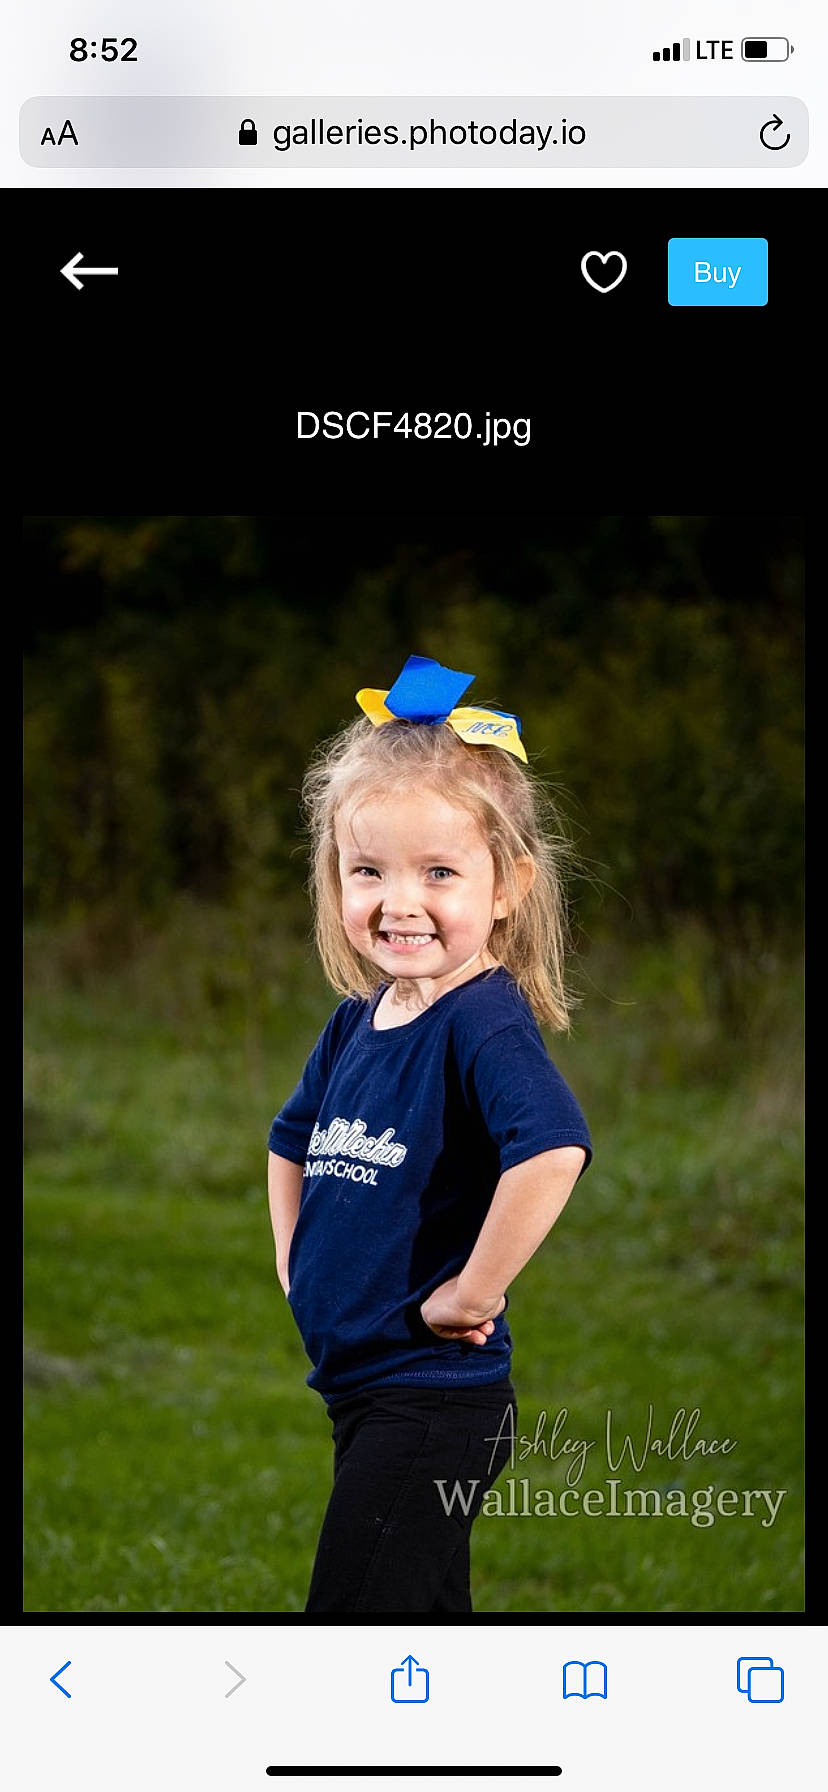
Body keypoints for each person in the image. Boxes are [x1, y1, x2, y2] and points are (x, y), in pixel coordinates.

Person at [267, 653, 592, 1612]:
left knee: (357, 1627)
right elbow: (290, 1142)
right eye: (368, 869)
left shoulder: (480, 1021)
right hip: (364, 1394)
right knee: (420, 1641)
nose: (398, 901)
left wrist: (472, 1291)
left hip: (435, 1397)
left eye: (438, 872)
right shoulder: (358, 1020)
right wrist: (296, 1259)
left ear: (507, 885)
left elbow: (552, 1147)